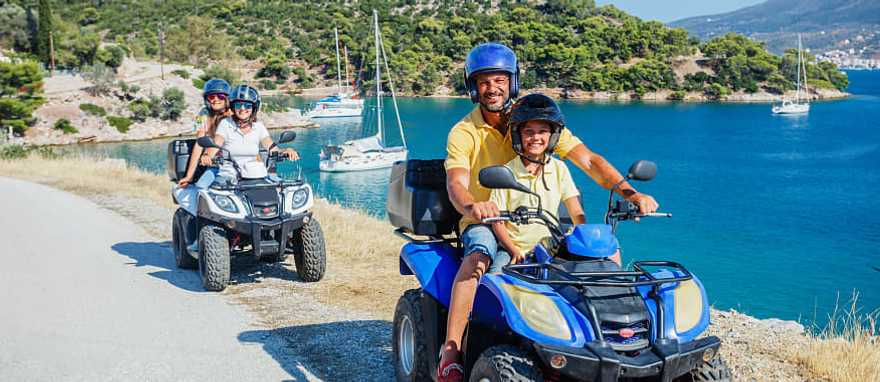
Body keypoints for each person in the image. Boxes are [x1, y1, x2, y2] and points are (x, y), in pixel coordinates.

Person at [438, 42, 659, 381]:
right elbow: (456, 183)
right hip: (486, 218)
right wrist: (473, 206)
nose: (492, 88)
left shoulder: (535, 119)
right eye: (484, 81)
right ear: (473, 85)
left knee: (591, 257)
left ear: (512, 81)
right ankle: (451, 352)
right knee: (479, 258)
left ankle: (603, 339)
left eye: (499, 79)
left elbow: (589, 160)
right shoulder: (464, 131)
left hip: (538, 217)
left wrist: (630, 193)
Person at [488, 94, 586, 273]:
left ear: (553, 136)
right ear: (518, 136)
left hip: (551, 247)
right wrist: (513, 250)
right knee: (495, 278)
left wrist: (583, 237)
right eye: (529, 132)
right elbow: (498, 223)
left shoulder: (559, 169)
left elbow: (576, 211)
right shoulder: (506, 172)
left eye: (542, 131)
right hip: (513, 249)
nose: (536, 138)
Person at [202, 84, 299, 182]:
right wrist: (207, 156)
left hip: (257, 173)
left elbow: (271, 148)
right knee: (215, 190)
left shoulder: (258, 127)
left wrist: (286, 150)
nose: (243, 109)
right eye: (238, 105)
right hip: (229, 175)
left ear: (254, 108)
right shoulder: (226, 124)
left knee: (280, 189)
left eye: (248, 105)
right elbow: (216, 144)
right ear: (233, 107)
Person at [177, 78, 232, 189]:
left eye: (220, 96)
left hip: (236, 164)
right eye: (212, 96)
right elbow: (199, 143)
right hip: (216, 165)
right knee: (201, 188)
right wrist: (189, 176)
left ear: (227, 98)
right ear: (206, 99)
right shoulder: (203, 114)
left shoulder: (233, 115)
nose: (216, 99)